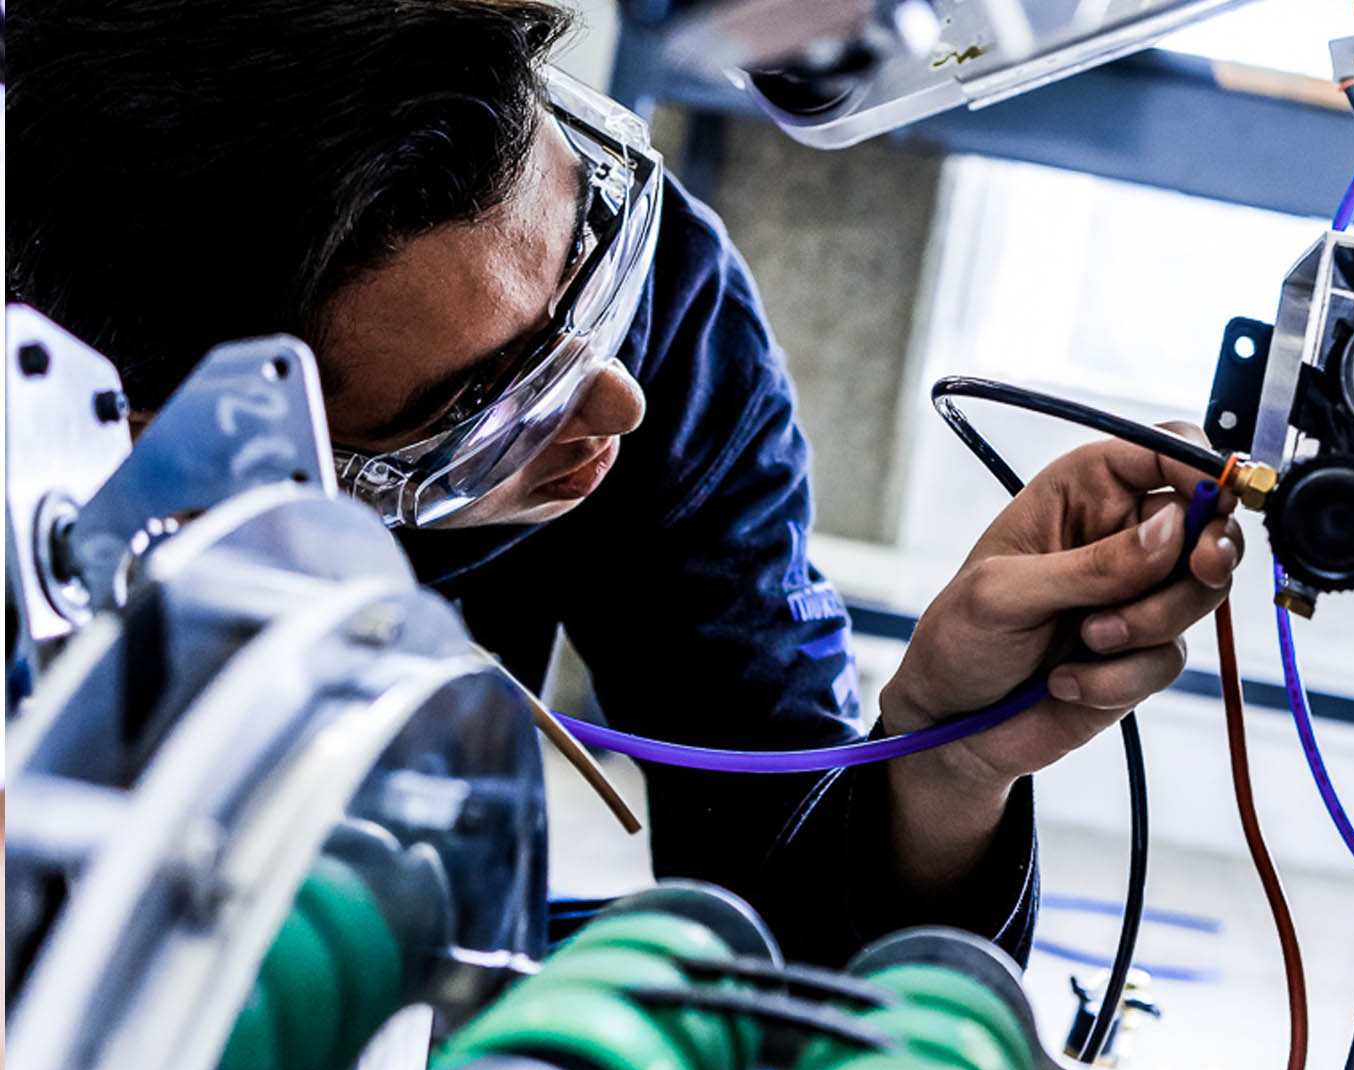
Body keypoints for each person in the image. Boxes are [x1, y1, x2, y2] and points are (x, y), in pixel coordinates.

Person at [7, 0, 1245, 966]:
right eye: (488, 408)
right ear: (175, 440)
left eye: (588, 266)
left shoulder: (661, 322)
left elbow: (792, 953)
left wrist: (945, 757)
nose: (616, 404)